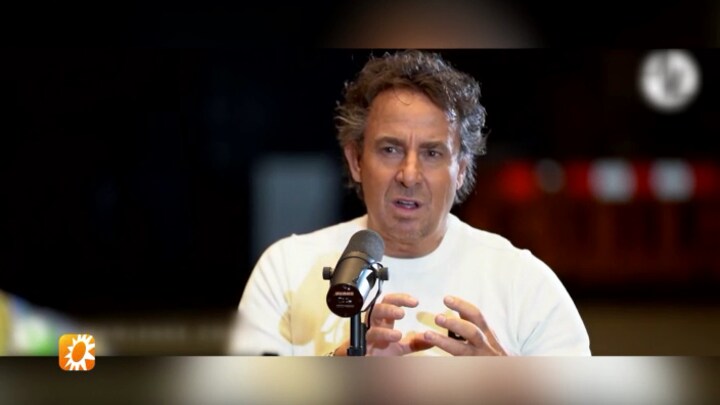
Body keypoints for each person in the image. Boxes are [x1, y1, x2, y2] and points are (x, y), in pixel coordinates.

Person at [229, 50, 591, 356]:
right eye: (390, 149)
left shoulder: (525, 284)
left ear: (462, 170)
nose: (409, 174)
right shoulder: (285, 271)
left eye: (432, 153)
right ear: (356, 160)